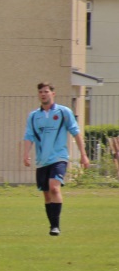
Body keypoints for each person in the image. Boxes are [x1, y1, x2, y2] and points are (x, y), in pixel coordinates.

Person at [22, 82, 89, 236]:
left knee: (54, 188)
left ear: (53, 93)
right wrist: (26, 154)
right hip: (42, 160)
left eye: (46, 91)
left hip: (59, 157)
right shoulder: (34, 116)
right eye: (41, 92)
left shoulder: (63, 112)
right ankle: (52, 225)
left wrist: (83, 154)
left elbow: (76, 132)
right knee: (46, 194)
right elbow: (29, 136)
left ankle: (56, 227)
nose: (43, 94)